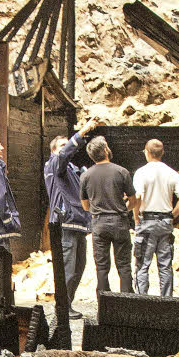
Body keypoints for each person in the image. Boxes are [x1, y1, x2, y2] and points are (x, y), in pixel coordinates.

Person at [44, 115, 103, 318]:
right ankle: (63, 308)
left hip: (79, 223)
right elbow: (63, 156)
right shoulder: (54, 164)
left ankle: (66, 304)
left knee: (79, 267)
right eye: (61, 145)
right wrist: (83, 131)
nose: (66, 147)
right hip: (66, 223)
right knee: (68, 269)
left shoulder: (71, 169)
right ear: (54, 150)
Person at [132, 138, 179, 297]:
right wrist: (172, 215)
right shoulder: (172, 173)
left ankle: (142, 300)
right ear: (162, 153)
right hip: (165, 223)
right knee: (165, 266)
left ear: (146, 152)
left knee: (142, 265)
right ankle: (167, 300)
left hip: (147, 222)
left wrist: (136, 217)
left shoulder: (141, 172)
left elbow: (137, 197)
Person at [80, 136, 135, 295]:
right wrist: (124, 209)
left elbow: (85, 205)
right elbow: (133, 200)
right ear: (105, 150)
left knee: (102, 266)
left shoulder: (86, 175)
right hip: (119, 222)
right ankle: (127, 301)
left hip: (99, 223)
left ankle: (104, 302)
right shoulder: (121, 171)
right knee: (124, 265)